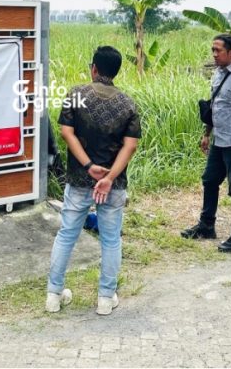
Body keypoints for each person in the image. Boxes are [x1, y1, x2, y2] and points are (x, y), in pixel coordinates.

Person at [46, 46, 140, 316]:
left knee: (66, 235)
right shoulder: (128, 103)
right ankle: (105, 298)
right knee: (111, 240)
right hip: (113, 185)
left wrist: (88, 166)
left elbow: (66, 132)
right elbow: (130, 146)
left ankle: (53, 295)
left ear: (94, 68)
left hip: (79, 180)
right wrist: (109, 176)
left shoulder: (76, 95)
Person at [181, 34, 231, 252]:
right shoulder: (217, 74)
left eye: (218, 50)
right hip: (219, 140)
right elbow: (216, 106)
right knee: (209, 180)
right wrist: (207, 133)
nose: (214, 54)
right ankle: (206, 225)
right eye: (212, 50)